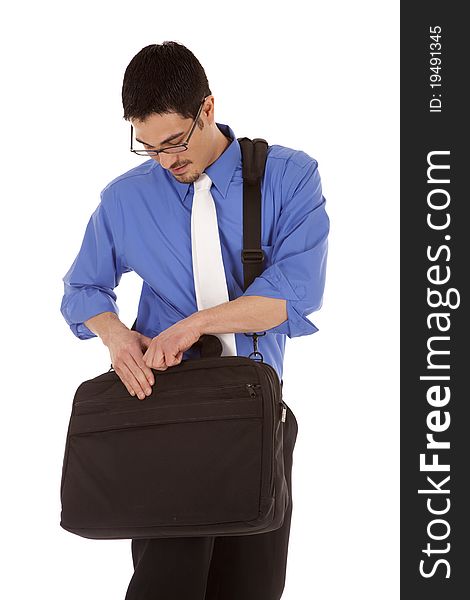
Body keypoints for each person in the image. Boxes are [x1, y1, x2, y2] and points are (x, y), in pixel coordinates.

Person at [60, 40, 329, 600]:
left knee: (252, 587)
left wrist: (193, 325)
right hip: (166, 415)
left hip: (256, 418)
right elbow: (81, 289)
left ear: (206, 108)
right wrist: (115, 336)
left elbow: (294, 297)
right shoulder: (124, 200)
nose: (165, 160)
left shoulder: (288, 178)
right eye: (149, 146)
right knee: (165, 586)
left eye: (175, 142)